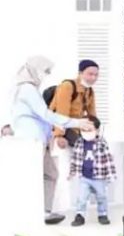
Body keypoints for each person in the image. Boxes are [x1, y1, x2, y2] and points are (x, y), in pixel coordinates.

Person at [9, 56, 93, 225]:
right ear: (34, 69)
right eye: (45, 71)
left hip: (40, 140)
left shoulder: (28, 88)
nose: (47, 74)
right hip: (31, 140)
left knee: (51, 174)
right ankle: (31, 213)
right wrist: (76, 123)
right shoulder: (27, 89)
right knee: (32, 177)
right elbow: (45, 114)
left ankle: (44, 212)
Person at [69, 115, 115, 227]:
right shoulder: (79, 142)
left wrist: (111, 175)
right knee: (81, 197)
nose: (86, 132)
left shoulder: (102, 143)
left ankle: (102, 214)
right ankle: (80, 215)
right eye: (83, 130)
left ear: (97, 130)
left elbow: (108, 159)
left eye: (89, 130)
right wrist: (72, 171)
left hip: (99, 177)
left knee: (101, 196)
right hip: (84, 177)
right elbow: (75, 158)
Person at [49, 59, 99, 146]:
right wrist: (59, 135)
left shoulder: (90, 91)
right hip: (59, 125)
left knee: (94, 145)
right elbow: (61, 113)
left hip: (76, 127)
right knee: (80, 145)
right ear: (80, 73)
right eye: (90, 74)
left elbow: (92, 115)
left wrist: (95, 133)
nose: (93, 78)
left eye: (96, 75)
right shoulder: (67, 86)